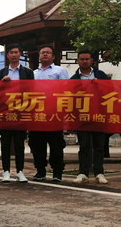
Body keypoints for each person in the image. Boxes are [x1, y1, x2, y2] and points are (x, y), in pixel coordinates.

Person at [71, 50, 111, 184]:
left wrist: (100, 85)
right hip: (82, 117)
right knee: (84, 146)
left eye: (87, 59)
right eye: (82, 59)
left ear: (92, 60)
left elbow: (110, 90)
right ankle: (83, 172)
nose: (84, 61)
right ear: (78, 61)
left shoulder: (101, 75)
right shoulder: (74, 79)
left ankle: (99, 172)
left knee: (99, 146)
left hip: (99, 115)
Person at [0, 43, 33, 183]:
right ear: (7, 55)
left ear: (20, 54)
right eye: (11, 52)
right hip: (5, 113)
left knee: (19, 144)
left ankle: (20, 171)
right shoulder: (1, 73)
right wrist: (2, 83)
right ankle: (6, 171)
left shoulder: (27, 72)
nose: (14, 55)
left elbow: (32, 91)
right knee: (5, 143)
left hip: (21, 112)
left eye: (16, 52)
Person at [31, 44, 69, 182]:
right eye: (42, 52)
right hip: (37, 114)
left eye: (48, 52)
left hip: (54, 114)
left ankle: (57, 172)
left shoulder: (60, 70)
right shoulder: (33, 73)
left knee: (56, 145)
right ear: (39, 56)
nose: (45, 54)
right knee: (37, 145)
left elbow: (66, 89)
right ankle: (40, 170)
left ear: (53, 56)